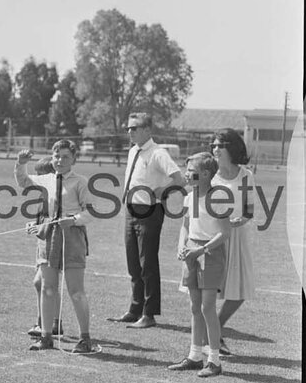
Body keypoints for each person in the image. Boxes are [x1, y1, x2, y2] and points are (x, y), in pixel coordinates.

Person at [15, 140, 96, 354]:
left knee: (76, 291)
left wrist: (74, 219)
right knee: (48, 288)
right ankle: (46, 336)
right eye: (57, 156)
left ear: (74, 159)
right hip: (49, 237)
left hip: (72, 238)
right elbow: (23, 181)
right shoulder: (46, 179)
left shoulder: (80, 182)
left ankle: (85, 339)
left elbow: (90, 213)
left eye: (65, 157)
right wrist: (20, 163)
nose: (60, 160)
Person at [107, 112, 184, 329]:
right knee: (133, 262)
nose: (129, 132)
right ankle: (135, 309)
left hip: (150, 211)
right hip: (131, 211)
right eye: (128, 128)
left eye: (134, 128)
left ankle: (149, 314)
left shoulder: (158, 153)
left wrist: (163, 189)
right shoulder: (133, 151)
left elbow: (179, 178)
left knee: (147, 263)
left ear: (147, 130)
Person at [168, 152, 230, 377]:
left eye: (191, 170)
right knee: (195, 307)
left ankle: (214, 360)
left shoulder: (219, 197)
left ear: (205, 174)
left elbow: (225, 233)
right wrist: (181, 245)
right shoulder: (189, 196)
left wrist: (200, 250)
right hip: (192, 252)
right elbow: (186, 225)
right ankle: (194, 356)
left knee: (207, 307)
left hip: (209, 253)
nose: (186, 174)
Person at [209, 128, 256, 356]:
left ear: (232, 147)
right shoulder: (208, 174)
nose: (215, 149)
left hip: (237, 238)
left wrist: (242, 219)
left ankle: (215, 329)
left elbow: (249, 210)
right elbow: (197, 206)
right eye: (214, 145)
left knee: (239, 292)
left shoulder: (245, 175)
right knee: (206, 291)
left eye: (220, 145)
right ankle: (207, 342)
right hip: (211, 237)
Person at [25, 156, 61, 339]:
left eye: (40, 175)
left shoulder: (54, 194)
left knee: (42, 283)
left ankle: (45, 323)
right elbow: (43, 218)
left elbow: (54, 221)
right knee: (45, 284)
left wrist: (39, 227)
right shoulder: (44, 194)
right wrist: (34, 224)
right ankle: (53, 323)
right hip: (42, 242)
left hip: (52, 242)